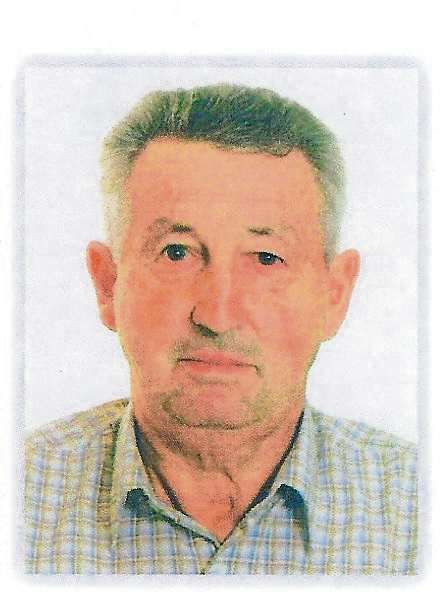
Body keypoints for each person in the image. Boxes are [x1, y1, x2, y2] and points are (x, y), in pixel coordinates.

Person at [25, 83, 417, 575]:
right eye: (177, 253)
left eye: (266, 258)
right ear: (108, 284)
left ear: (334, 295)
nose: (217, 315)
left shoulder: (416, 513)